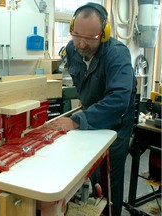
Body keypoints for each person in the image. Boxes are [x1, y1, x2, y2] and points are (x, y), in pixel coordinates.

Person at [50, 3, 137, 215]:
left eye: (89, 39)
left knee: (110, 179)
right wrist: (85, 103)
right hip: (90, 117)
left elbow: (118, 100)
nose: (81, 44)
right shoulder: (72, 49)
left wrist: (77, 120)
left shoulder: (118, 55)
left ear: (104, 34)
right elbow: (84, 80)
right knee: (89, 173)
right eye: (76, 35)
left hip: (116, 124)